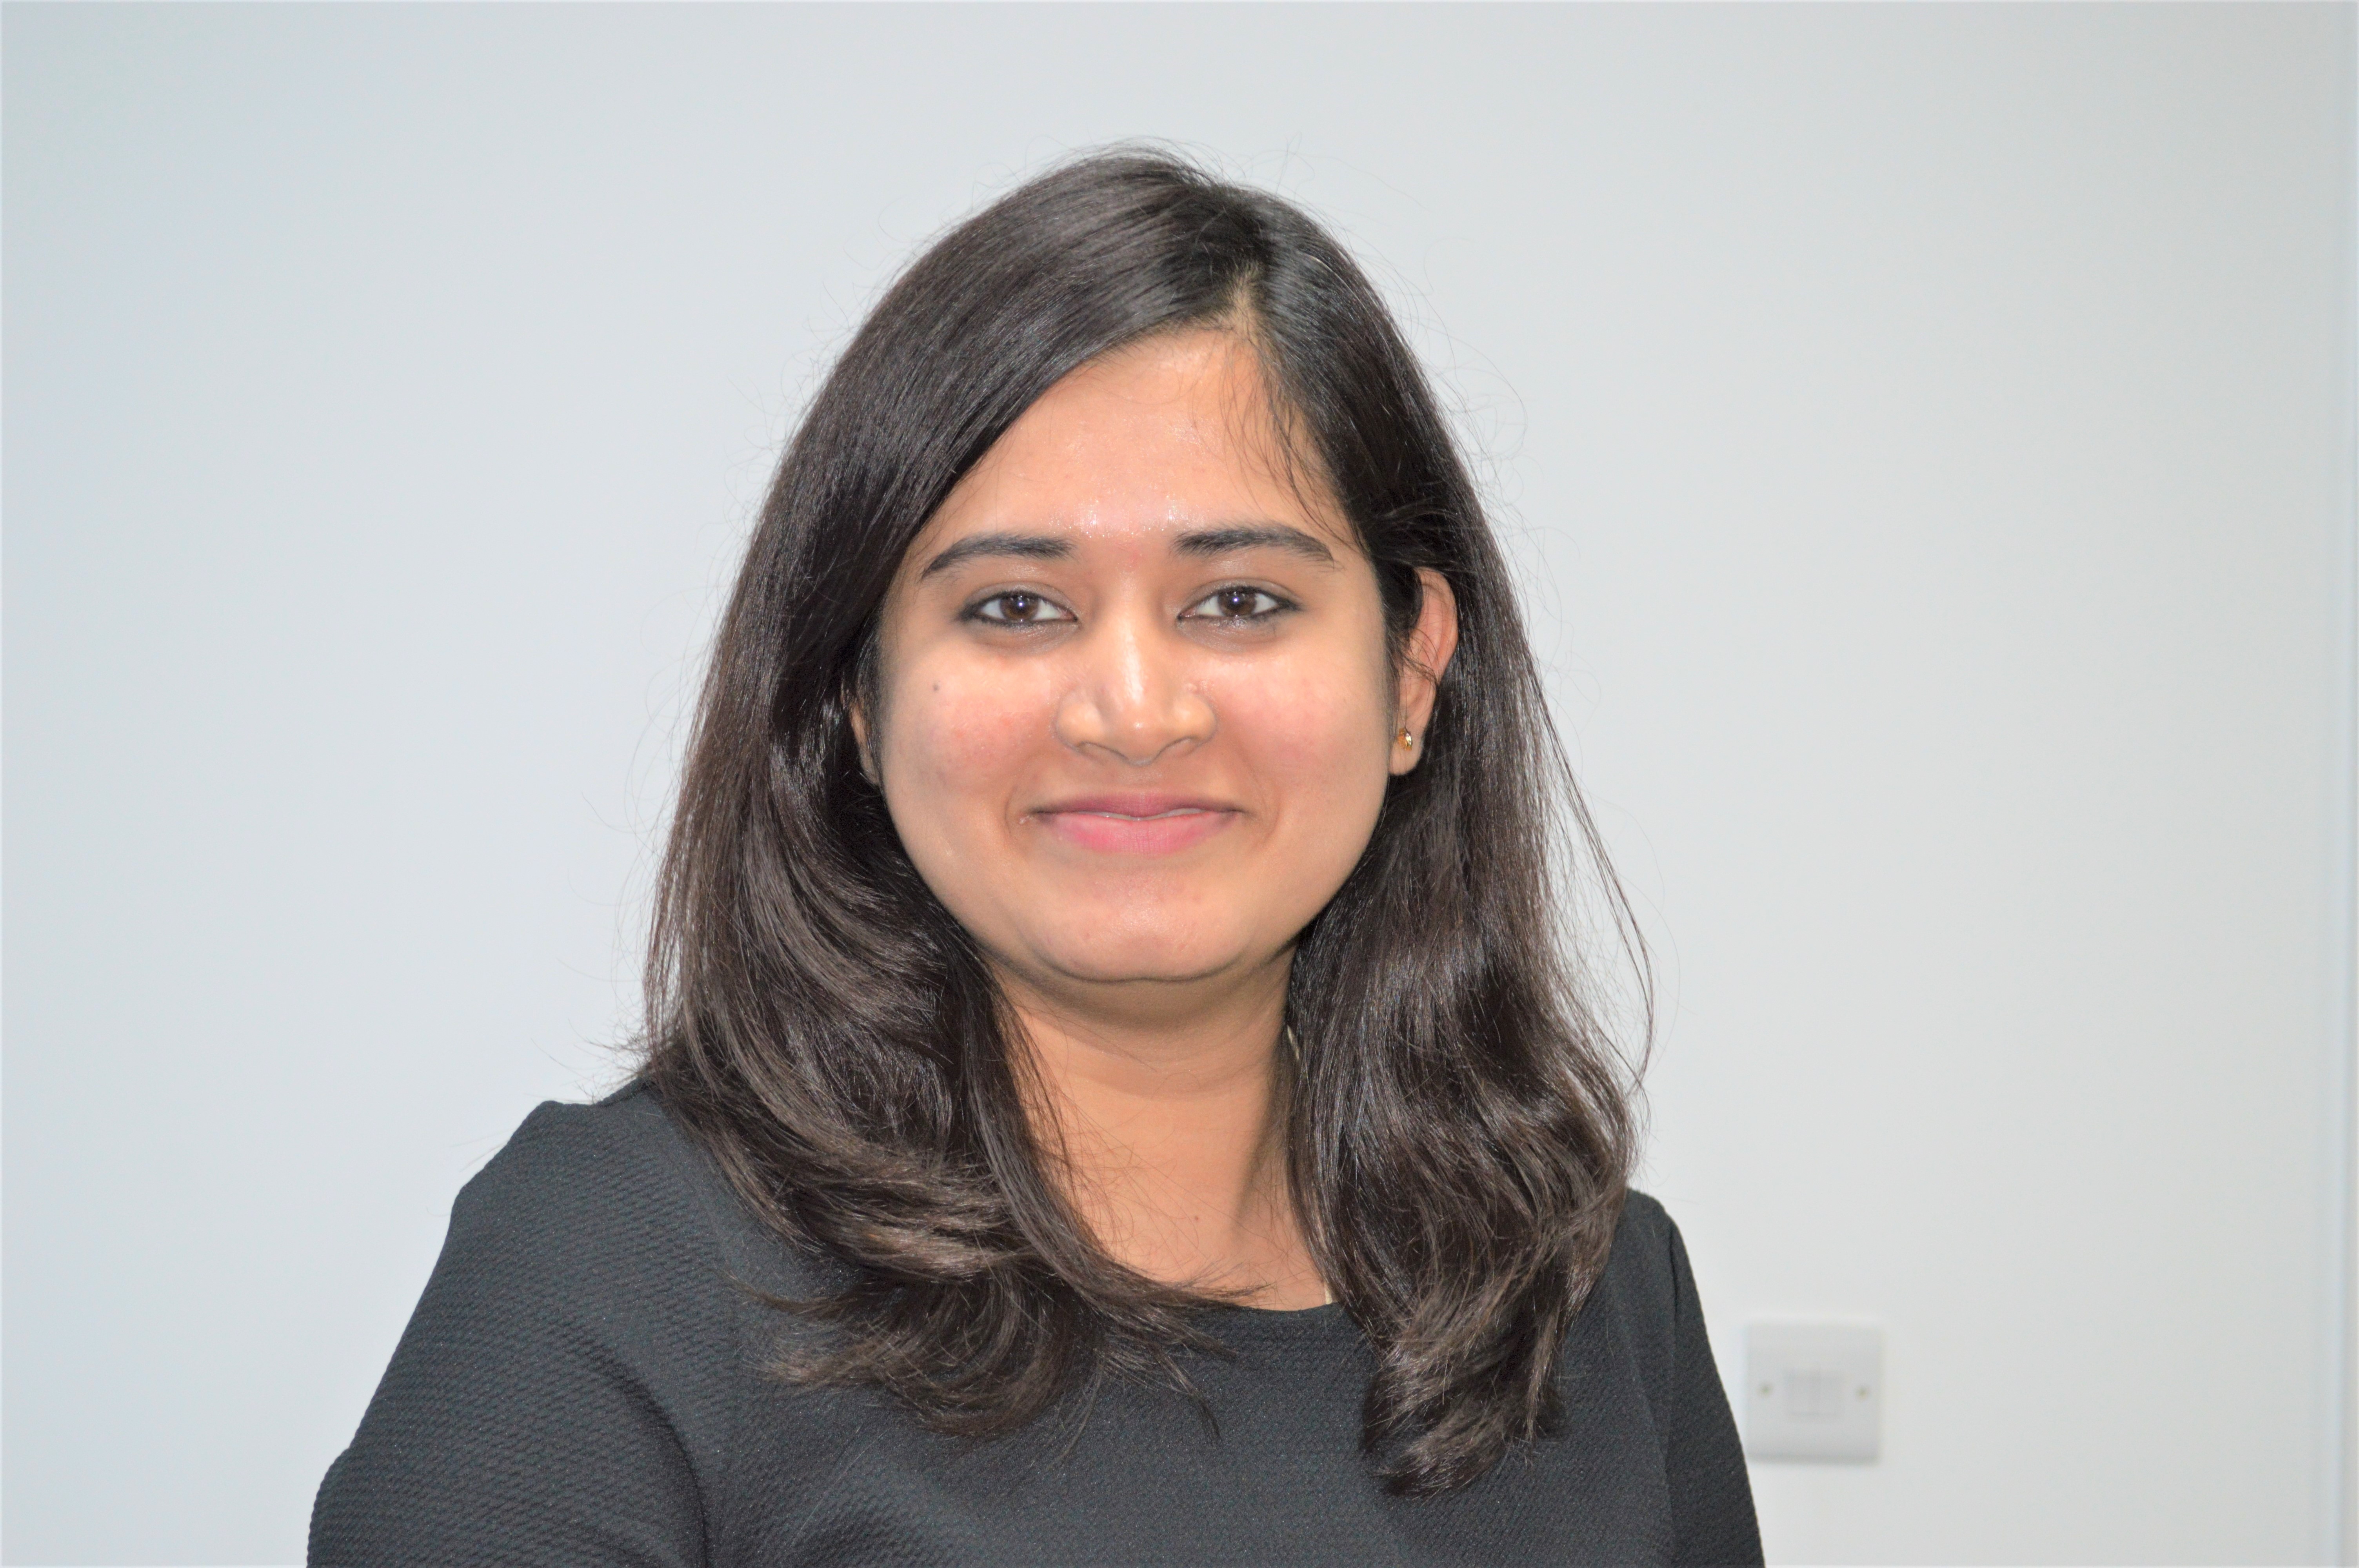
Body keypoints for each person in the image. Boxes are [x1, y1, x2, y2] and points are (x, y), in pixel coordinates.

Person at [309, 147, 1762, 1566]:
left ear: (1413, 671)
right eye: (1015, 607)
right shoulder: (624, 1265)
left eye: (1240, 599)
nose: (1133, 711)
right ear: (858, 693)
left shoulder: (1602, 1295)